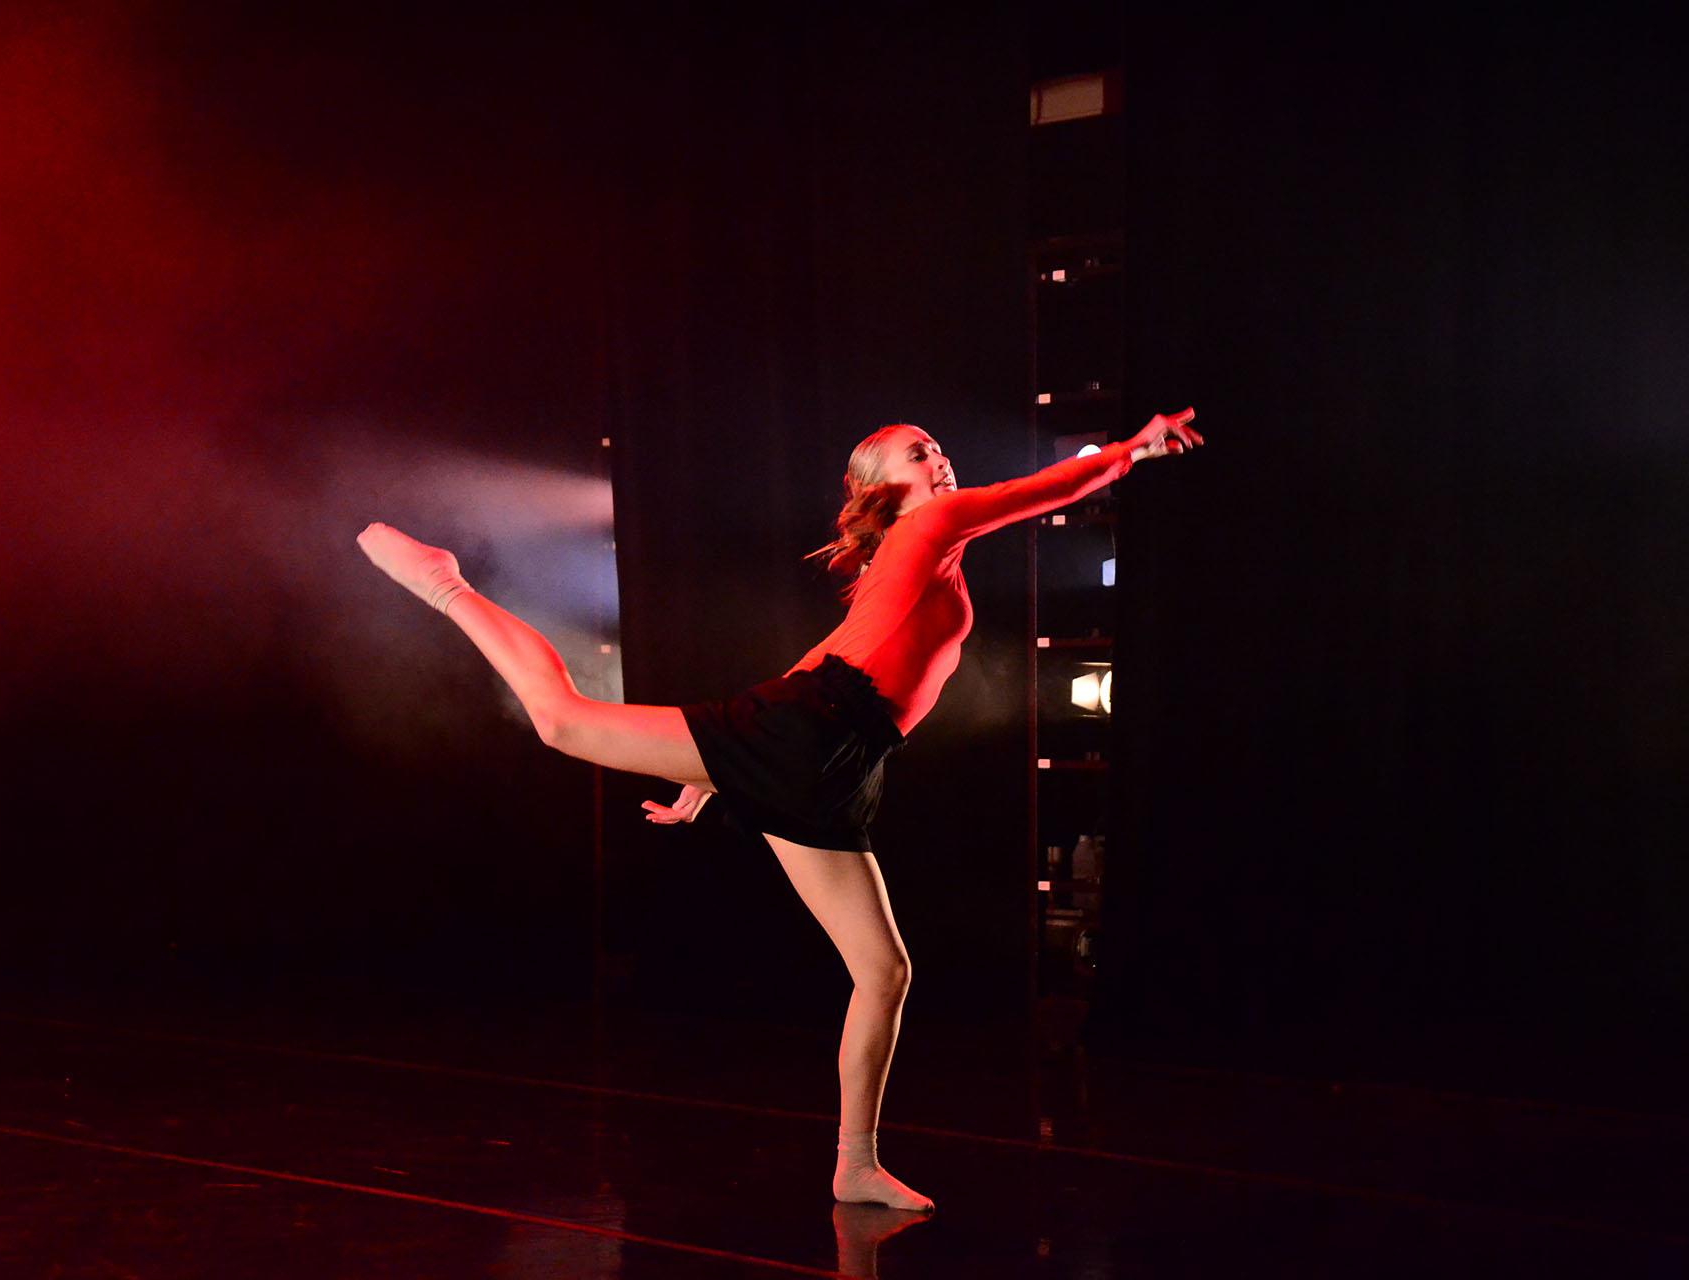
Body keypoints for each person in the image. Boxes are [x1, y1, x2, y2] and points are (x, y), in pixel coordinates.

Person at [357, 406, 1201, 1213]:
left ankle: (856, 1165)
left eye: (938, 447)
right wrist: (1133, 448)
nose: (939, 459)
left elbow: (826, 652)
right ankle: (445, 586)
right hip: (810, 737)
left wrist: (716, 775)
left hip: (840, 761)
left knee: (885, 972)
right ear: (881, 483)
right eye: (919, 453)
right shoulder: (932, 526)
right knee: (561, 720)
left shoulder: (912, 554)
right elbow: (1041, 491)